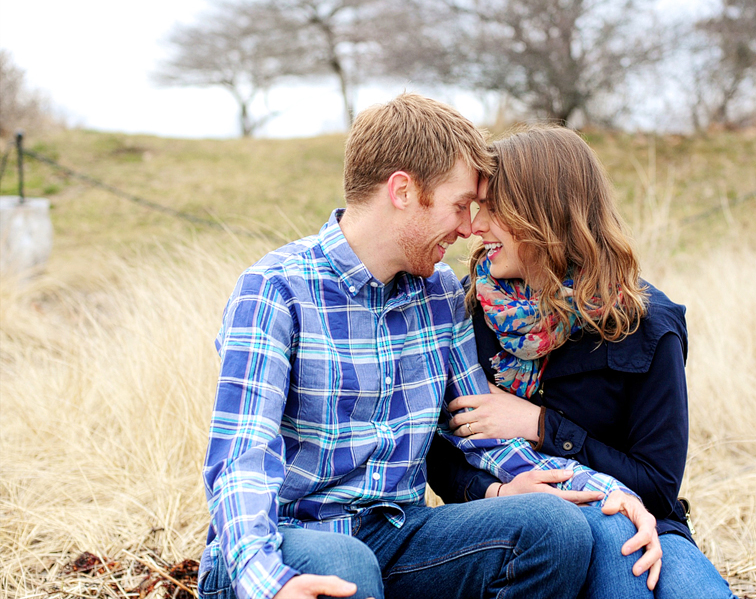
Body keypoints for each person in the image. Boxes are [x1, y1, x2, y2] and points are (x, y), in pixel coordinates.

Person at [198, 94, 663, 599]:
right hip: (286, 544)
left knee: (552, 528)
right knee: (345, 564)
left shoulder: (439, 292)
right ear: (403, 191)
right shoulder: (274, 290)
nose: (469, 229)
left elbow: (481, 435)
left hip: (399, 537)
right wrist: (267, 582)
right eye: (460, 205)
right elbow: (240, 460)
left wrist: (612, 492)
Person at [426, 126, 738, 598]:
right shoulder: (468, 314)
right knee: (608, 537)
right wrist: (498, 493)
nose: (475, 228)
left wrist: (540, 425)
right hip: (520, 531)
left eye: (492, 211)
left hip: (645, 521)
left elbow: (656, 484)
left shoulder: (647, 325)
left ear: (542, 217)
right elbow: (442, 457)